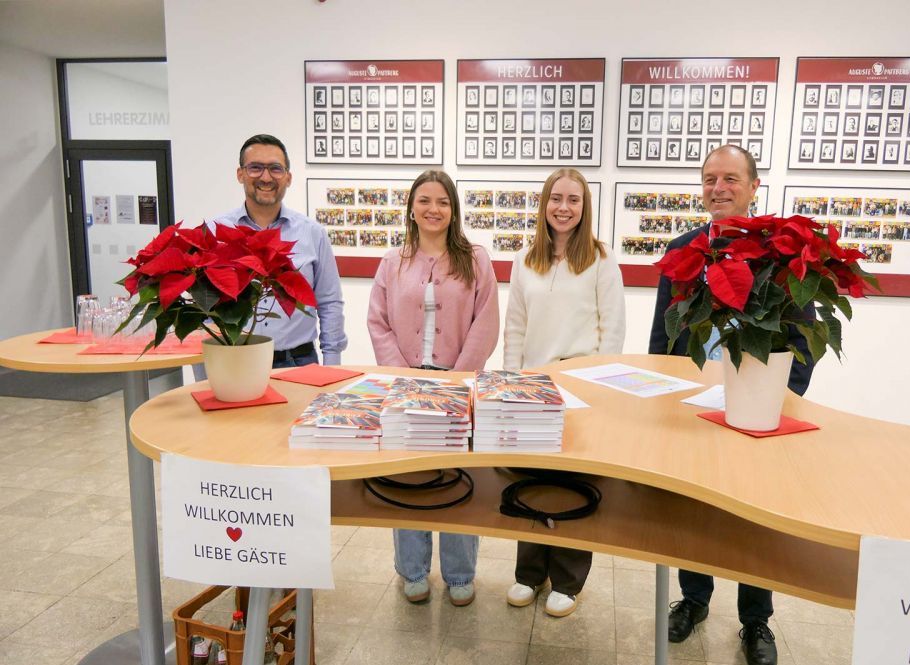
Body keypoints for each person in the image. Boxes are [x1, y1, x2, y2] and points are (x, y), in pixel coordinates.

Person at [648, 145, 815, 665]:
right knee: (693, 510)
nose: (717, 188)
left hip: (757, 413)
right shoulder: (684, 249)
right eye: (709, 179)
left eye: (730, 179)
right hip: (694, 412)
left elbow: (805, 338)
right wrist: (663, 396)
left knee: (753, 521)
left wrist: (781, 399)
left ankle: (755, 621)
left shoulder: (780, 253)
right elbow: (664, 337)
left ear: (753, 186)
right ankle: (693, 601)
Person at [367, 169, 499, 606]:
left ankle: (461, 573)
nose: (433, 209)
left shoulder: (475, 258)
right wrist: (401, 376)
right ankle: (413, 569)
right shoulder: (393, 260)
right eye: (424, 200)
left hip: (456, 382)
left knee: (459, 478)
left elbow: (486, 322)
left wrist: (461, 379)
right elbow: (378, 321)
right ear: (411, 208)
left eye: (442, 201)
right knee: (411, 479)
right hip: (406, 383)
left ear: (453, 209)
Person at [503, 168, 626, 618]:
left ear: (584, 207)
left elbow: (612, 328)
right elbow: (515, 326)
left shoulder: (600, 257)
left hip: (579, 384)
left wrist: (598, 385)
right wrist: (510, 381)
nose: (563, 207)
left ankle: (569, 580)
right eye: (556, 198)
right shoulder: (524, 260)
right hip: (531, 388)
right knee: (532, 481)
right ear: (544, 203)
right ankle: (529, 574)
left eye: (573, 200)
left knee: (574, 483)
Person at [209, 134, 347, 369]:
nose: (265, 177)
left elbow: (329, 302)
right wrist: (205, 370)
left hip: (298, 362)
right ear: (240, 174)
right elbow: (204, 309)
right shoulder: (215, 233)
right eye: (255, 168)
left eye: (275, 168)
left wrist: (332, 365)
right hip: (233, 362)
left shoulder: (312, 233)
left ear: (288, 177)